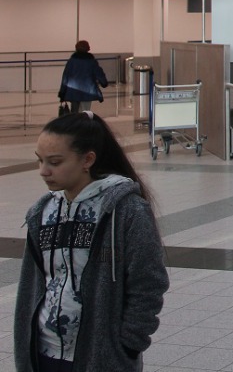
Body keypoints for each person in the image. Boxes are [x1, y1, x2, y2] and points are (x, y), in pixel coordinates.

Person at [15, 111, 169, 372]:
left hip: (101, 357)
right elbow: (34, 283)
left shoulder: (126, 211)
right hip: (42, 352)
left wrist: (129, 343)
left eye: (54, 161)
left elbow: (149, 282)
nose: (43, 171)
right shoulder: (41, 213)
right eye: (40, 161)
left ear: (87, 159)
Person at [57, 40, 108, 115]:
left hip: (73, 91)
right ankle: (84, 124)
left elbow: (65, 77)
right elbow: (98, 73)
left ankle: (74, 124)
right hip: (87, 91)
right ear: (88, 48)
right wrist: (104, 82)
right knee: (86, 111)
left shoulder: (72, 61)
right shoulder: (91, 61)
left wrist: (62, 92)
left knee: (74, 112)